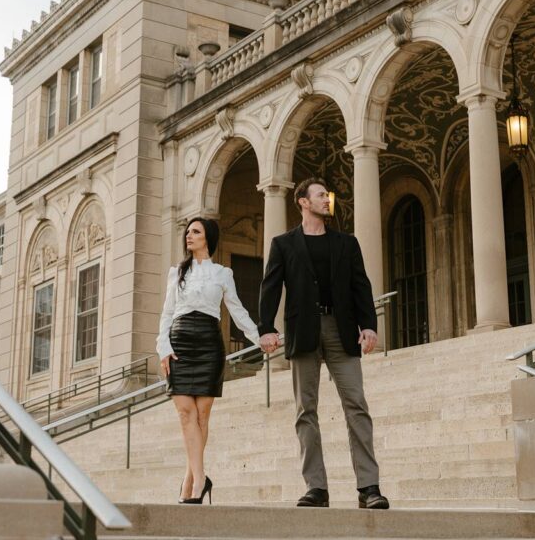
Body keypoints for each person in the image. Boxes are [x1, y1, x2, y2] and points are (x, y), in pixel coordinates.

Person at [257, 177, 389, 510]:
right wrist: (266, 327)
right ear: (302, 202)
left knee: (356, 404)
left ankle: (369, 487)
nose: (326, 200)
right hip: (303, 331)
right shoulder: (283, 244)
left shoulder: (347, 243)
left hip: (341, 330)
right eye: (319, 195)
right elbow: (270, 288)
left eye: (327, 196)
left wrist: (369, 326)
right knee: (306, 411)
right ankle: (316, 487)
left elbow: (361, 285)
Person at [156, 217, 260, 505]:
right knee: (185, 413)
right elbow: (167, 313)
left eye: (196, 232)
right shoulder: (176, 273)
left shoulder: (222, 273)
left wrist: (259, 338)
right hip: (179, 343)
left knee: (202, 415)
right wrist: (163, 348)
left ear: (208, 237)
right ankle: (201, 479)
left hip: (209, 344)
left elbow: (237, 312)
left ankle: (191, 479)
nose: (189, 236)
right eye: (187, 232)